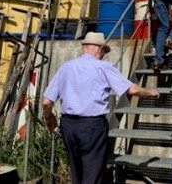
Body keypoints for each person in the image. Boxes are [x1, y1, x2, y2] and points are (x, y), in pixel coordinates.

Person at [42, 31, 159, 184]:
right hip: (92, 126)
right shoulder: (103, 67)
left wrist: (49, 118)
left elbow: (46, 102)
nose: (103, 54)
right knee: (93, 174)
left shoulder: (66, 67)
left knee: (76, 172)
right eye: (103, 51)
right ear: (99, 49)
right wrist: (150, 93)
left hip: (68, 126)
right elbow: (133, 90)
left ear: (84, 48)